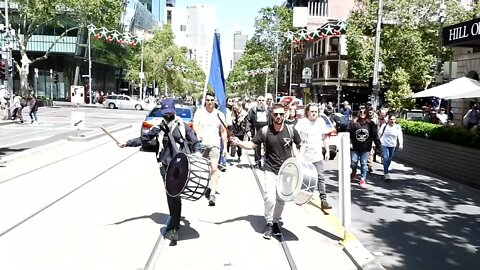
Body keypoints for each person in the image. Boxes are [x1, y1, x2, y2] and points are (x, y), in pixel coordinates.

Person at [118, 98, 202, 241]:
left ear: (174, 111)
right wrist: (126, 143)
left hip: (179, 165)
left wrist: (198, 152)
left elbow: (194, 141)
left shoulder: (182, 125)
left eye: (170, 113)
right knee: (170, 194)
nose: (167, 115)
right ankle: (174, 222)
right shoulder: (159, 126)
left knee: (175, 195)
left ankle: (174, 225)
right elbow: (144, 139)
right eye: (165, 113)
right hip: (164, 165)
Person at [232, 103, 302, 239]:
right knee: (270, 198)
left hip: (286, 171)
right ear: (272, 115)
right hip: (270, 169)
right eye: (276, 114)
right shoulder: (264, 131)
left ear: (284, 114)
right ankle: (269, 223)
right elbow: (252, 145)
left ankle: (275, 222)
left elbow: (300, 145)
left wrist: (300, 159)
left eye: (281, 114)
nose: (279, 117)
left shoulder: (291, 130)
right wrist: (239, 142)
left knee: (281, 199)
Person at [192, 92, 228, 206]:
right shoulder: (199, 112)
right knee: (203, 169)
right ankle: (206, 186)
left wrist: (225, 147)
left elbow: (223, 131)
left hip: (214, 145)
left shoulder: (219, 115)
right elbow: (195, 125)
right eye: (208, 100)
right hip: (202, 144)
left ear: (215, 101)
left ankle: (212, 193)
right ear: (205, 101)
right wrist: (198, 132)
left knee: (213, 168)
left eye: (212, 100)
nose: (210, 102)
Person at [295, 103, 332, 210]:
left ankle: (323, 200)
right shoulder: (302, 123)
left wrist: (327, 151)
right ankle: (302, 197)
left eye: (316, 112)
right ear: (307, 112)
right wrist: (296, 152)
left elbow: (325, 137)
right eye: (312, 111)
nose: (314, 113)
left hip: (317, 155)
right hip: (305, 156)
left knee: (320, 177)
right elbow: (295, 136)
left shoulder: (321, 122)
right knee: (305, 178)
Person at [348, 107, 382, 187]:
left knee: (363, 163)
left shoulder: (370, 124)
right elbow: (349, 132)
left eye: (364, 112)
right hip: (355, 147)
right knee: (353, 162)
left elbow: (375, 137)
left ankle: (363, 178)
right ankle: (354, 171)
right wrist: (352, 124)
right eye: (361, 112)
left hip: (366, 148)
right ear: (358, 113)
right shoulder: (354, 123)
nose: (362, 114)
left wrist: (379, 148)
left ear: (367, 113)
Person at [245, 96, 269, 168]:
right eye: (259, 100)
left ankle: (266, 162)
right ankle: (257, 161)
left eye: (262, 100)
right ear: (256, 101)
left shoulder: (268, 110)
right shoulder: (253, 110)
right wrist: (248, 130)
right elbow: (248, 120)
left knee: (267, 147)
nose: (261, 102)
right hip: (256, 130)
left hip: (266, 130)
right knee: (256, 147)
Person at [378, 114, 403, 181]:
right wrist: (377, 142)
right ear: (388, 120)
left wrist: (401, 144)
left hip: (392, 145)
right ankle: (386, 173)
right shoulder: (384, 126)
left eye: (394, 119)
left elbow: (400, 136)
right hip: (384, 144)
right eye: (391, 119)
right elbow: (379, 134)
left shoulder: (397, 127)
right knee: (386, 158)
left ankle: (385, 168)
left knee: (389, 159)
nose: (392, 121)